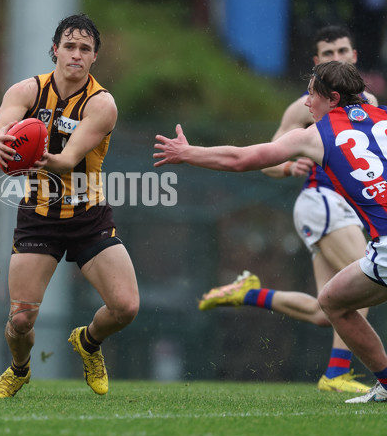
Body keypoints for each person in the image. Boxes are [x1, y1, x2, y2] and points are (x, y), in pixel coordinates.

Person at [154, 60, 387, 403]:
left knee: (333, 305)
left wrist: (189, 153)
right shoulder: (382, 118)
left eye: (312, 95)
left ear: (333, 98)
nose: (307, 103)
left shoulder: (315, 136)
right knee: (331, 301)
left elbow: (241, 159)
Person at [197, 26, 376, 393]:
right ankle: (337, 374)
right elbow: (267, 159)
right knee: (367, 280)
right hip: (323, 203)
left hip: (348, 210)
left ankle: (247, 294)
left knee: (325, 311)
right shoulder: (306, 105)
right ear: (316, 63)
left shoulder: (371, 105)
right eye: (327, 53)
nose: (336, 57)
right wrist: (288, 167)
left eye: (342, 50)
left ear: (354, 56)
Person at [0, 13, 139, 398]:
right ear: (55, 50)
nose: (76, 54)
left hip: (88, 214)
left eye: (85, 49)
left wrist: (37, 156)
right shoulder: (26, 91)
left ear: (94, 57)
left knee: (126, 307)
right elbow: (0, 129)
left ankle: (87, 342)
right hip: (39, 215)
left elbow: (68, 159)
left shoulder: (102, 104)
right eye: (69, 46)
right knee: (21, 319)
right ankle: (19, 370)